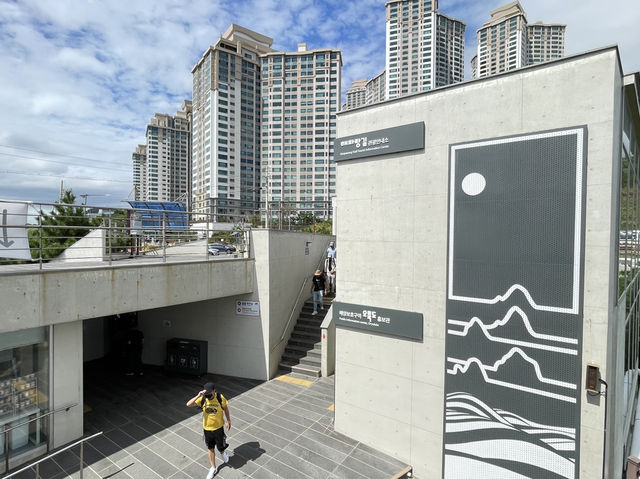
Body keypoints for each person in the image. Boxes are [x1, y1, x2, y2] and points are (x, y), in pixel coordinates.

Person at [187, 382, 231, 479]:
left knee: (220, 446)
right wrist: (199, 395)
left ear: (214, 391)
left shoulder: (220, 398)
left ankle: (223, 452)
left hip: (219, 428)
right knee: (210, 448)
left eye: (210, 394)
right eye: (206, 395)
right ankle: (213, 468)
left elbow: (226, 409)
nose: (208, 397)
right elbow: (188, 404)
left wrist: (228, 421)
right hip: (207, 429)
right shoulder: (203, 398)